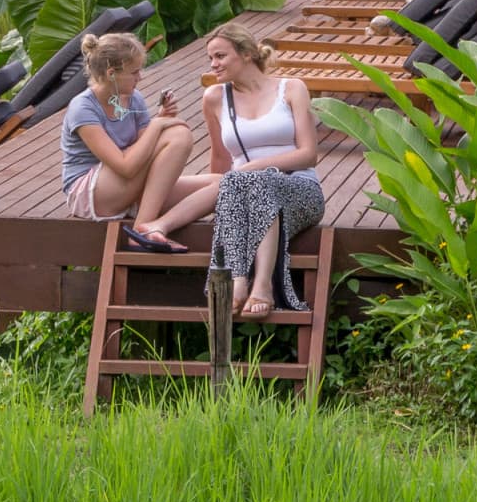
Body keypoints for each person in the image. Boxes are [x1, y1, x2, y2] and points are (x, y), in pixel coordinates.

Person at [139, 26, 323, 317]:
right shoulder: (214, 98)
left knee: (258, 181)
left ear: (247, 54)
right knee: (243, 184)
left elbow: (308, 155)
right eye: (210, 57)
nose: (213, 64)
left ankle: (262, 285)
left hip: (298, 188)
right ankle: (238, 282)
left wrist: (252, 169)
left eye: (220, 56)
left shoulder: (291, 88)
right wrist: (224, 205)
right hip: (242, 188)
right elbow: (220, 159)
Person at [59, 31, 217, 253]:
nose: (139, 77)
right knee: (178, 134)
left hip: (128, 186)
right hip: (91, 193)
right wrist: (158, 124)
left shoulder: (133, 97)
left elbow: (147, 148)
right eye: (134, 72)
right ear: (111, 73)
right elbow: (126, 167)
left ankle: (157, 226)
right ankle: (142, 233)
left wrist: (162, 120)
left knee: (223, 184)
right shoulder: (83, 107)